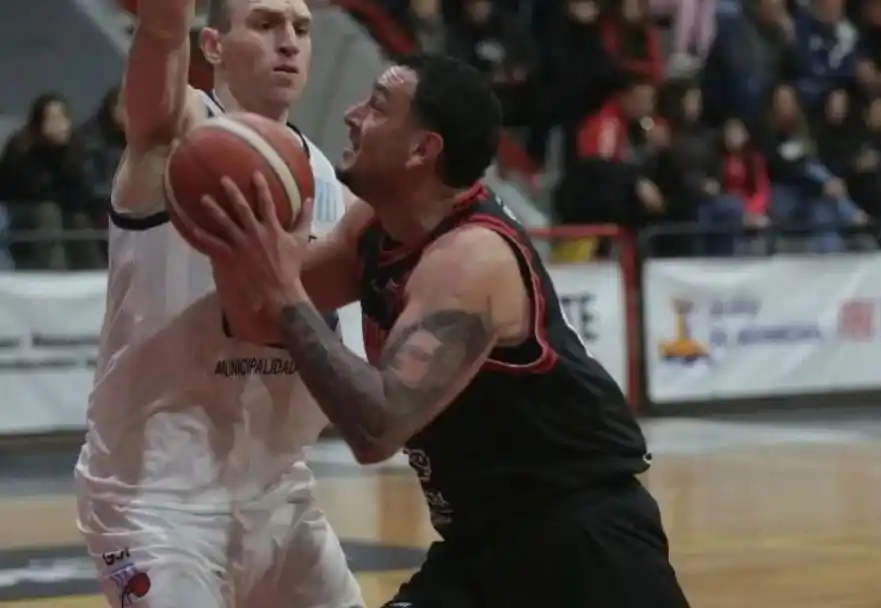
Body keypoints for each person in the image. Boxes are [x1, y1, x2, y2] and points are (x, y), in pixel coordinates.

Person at [177, 52, 689, 608]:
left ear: (423, 149)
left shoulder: (471, 261)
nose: (351, 115)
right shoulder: (374, 226)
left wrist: (284, 294)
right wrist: (237, 229)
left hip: (584, 548)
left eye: (374, 107)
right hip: (482, 546)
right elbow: (256, 313)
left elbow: (376, 426)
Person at [72, 0, 364, 606]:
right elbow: (157, 51)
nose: (289, 41)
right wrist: (162, 23)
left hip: (279, 491)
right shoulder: (176, 140)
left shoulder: (330, 182)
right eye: (265, 24)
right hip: (156, 501)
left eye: (302, 29)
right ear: (212, 48)